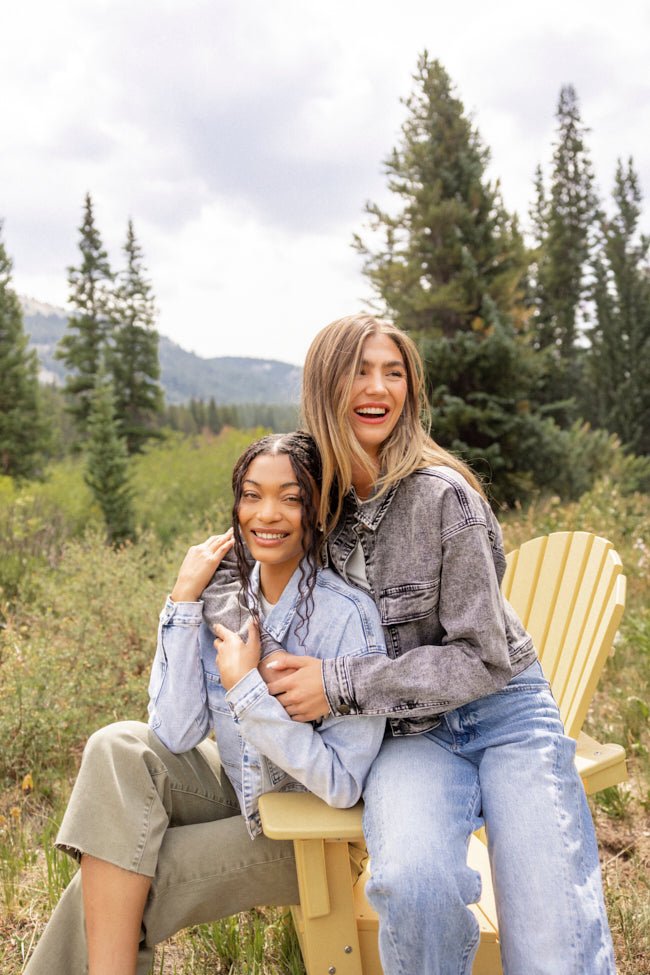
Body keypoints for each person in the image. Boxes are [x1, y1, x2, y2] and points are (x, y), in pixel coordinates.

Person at [221, 314, 616, 975]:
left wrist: (339, 684)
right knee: (412, 883)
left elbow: (483, 658)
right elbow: (260, 541)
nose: (379, 388)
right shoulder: (316, 500)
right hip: (408, 737)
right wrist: (193, 600)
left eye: (394, 372)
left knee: (553, 942)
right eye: (359, 371)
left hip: (505, 717)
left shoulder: (444, 497)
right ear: (324, 385)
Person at [25, 432, 386, 975]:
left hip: (312, 833)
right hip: (245, 790)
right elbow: (174, 733)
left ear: (318, 511)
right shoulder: (227, 596)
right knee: (116, 746)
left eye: (291, 498)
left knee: (117, 880)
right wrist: (182, 602)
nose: (267, 514)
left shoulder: (347, 618)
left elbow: (341, 786)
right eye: (251, 495)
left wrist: (247, 690)